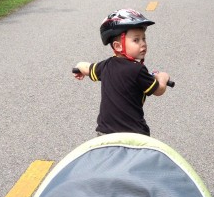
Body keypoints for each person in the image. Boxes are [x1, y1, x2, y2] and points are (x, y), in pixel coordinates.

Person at [73, 8, 171, 136]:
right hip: (134, 135)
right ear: (118, 46)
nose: (143, 44)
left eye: (144, 39)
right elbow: (159, 90)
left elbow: (88, 67)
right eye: (136, 40)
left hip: (105, 133)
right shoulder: (138, 70)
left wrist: (79, 66)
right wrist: (163, 77)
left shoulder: (106, 65)